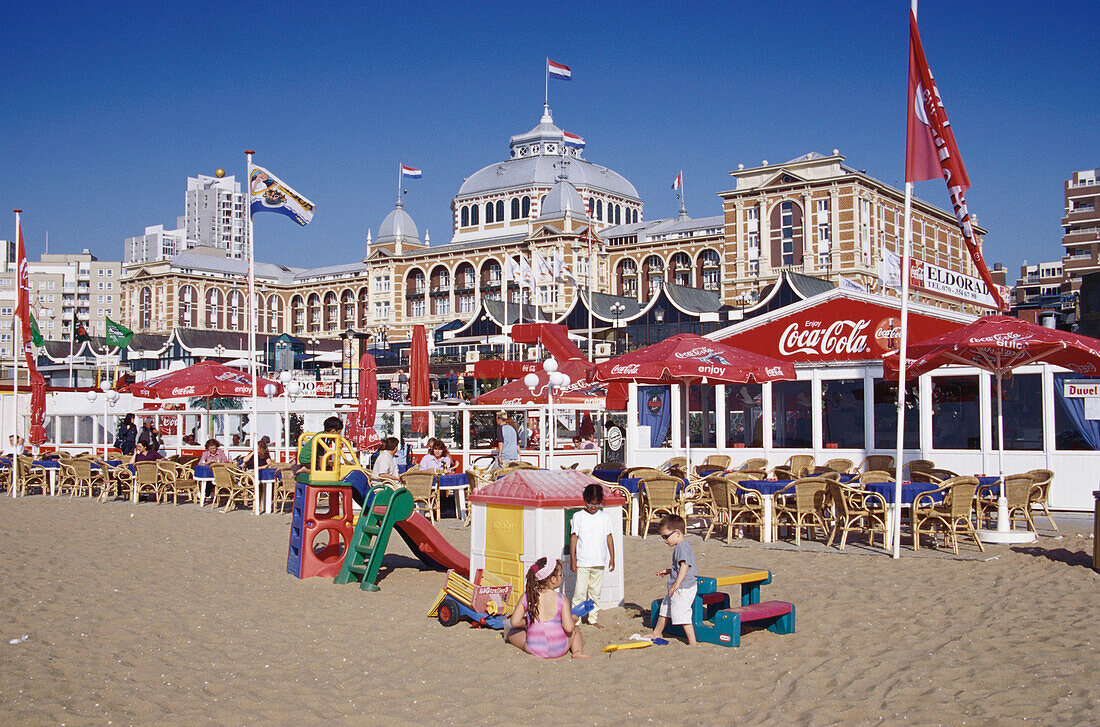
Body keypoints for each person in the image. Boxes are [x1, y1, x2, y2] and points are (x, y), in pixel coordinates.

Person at [506, 557, 587, 659]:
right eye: (560, 575)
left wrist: (529, 620)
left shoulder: (528, 596)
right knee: (575, 631)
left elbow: (515, 622)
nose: (562, 577)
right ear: (553, 579)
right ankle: (577, 652)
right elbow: (568, 627)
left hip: (534, 648)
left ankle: (526, 644)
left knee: (513, 633)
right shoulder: (561, 599)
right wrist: (573, 619)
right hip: (559, 648)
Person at [641, 514, 698, 646]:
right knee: (665, 608)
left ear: (677, 533)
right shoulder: (681, 546)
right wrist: (668, 571)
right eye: (663, 537)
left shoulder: (682, 547)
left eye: (666, 537)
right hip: (678, 586)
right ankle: (657, 632)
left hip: (683, 587)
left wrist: (676, 584)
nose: (665, 540)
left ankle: (692, 641)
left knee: (681, 612)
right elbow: (679, 567)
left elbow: (685, 566)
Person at [569, 484, 615, 628]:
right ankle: (575, 620)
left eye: (596, 504)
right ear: (585, 500)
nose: (593, 507)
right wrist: (572, 558)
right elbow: (574, 538)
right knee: (580, 592)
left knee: (595, 592)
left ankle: (593, 619)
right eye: (590, 503)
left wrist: (612, 557)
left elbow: (609, 537)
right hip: (583, 561)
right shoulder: (578, 516)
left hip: (599, 561)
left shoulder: (605, 517)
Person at [294, 416, 343, 483]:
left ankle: (301, 468)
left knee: (329, 468)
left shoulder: (324, 435)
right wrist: (322, 471)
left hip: (308, 458)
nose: (339, 435)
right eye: (338, 433)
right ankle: (304, 470)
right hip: (307, 459)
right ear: (333, 431)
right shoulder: (322, 438)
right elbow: (321, 457)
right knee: (320, 472)